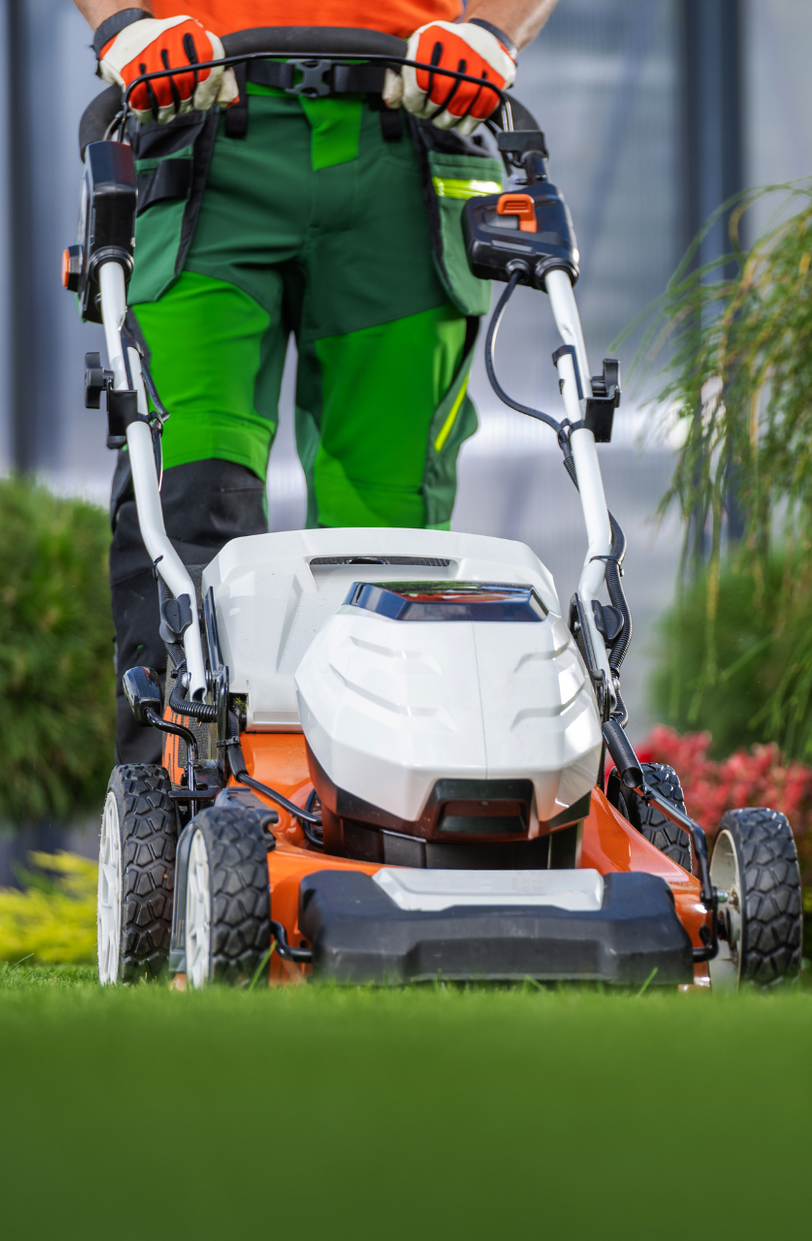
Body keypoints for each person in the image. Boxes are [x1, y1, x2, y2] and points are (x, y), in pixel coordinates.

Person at [71, 2, 559, 761]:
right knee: (187, 491)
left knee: (390, 538)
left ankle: (384, 829)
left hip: (415, 131)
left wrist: (489, 31)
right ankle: (171, 825)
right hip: (202, 129)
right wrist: (124, 25)